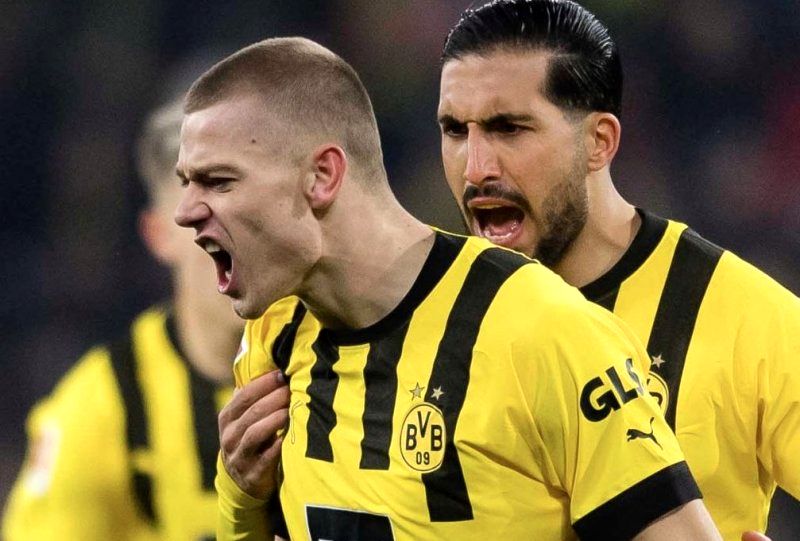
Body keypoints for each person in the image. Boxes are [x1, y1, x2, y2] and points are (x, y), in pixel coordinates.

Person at [175, 36, 721, 540]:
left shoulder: (541, 329)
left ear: (322, 176)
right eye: (185, 182)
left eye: (218, 181)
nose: (186, 211)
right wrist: (241, 503)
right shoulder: (273, 338)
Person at [435, 1, 800, 539]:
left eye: (508, 128)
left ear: (598, 142)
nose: (475, 168)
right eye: (454, 130)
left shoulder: (745, 318)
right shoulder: (424, 310)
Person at [2, 98, 243, 540]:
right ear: (158, 235)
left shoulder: (355, 364)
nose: (235, 237)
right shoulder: (102, 410)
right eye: (201, 217)